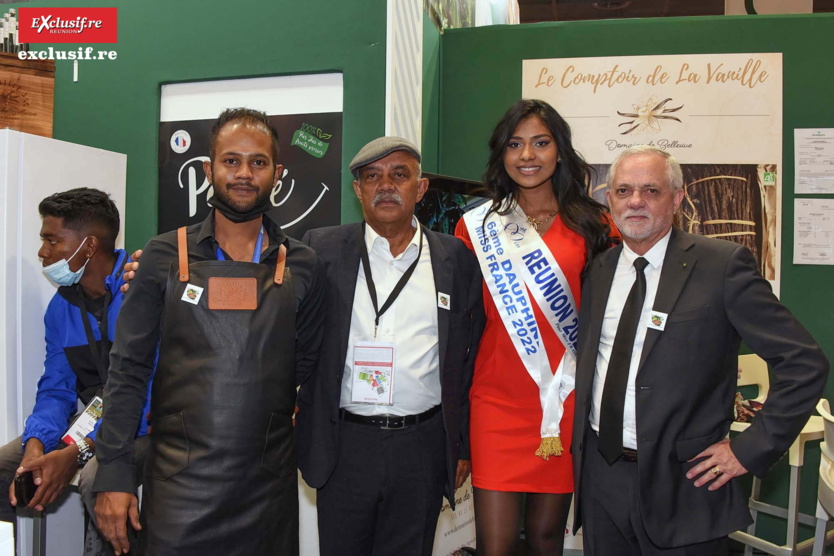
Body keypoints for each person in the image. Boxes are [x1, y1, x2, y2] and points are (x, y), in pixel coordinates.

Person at [572, 145, 830, 555]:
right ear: (609, 199)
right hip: (601, 480)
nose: (635, 201)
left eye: (651, 190)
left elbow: (805, 363)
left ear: (676, 199)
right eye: (623, 190)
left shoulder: (722, 266)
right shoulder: (597, 270)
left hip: (686, 485)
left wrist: (748, 450)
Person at [92, 108, 325, 556]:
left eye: (258, 162)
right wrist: (114, 473)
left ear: (277, 173)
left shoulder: (303, 265)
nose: (244, 174)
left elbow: (306, 366)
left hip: (267, 491)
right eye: (231, 161)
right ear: (207, 170)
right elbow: (128, 370)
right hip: (178, 490)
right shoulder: (162, 256)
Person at [297, 136, 485, 556]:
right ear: (357, 189)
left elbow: (470, 358)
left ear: (421, 188)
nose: (386, 186)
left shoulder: (455, 258)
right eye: (372, 177)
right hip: (343, 444)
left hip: (422, 446)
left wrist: (462, 445)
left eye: (399, 175)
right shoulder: (320, 249)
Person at [454, 99, 618, 556]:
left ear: (560, 151)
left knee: (547, 539)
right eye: (515, 144)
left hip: (564, 400)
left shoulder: (595, 225)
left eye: (540, 143)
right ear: (501, 154)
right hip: (495, 400)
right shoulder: (476, 227)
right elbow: (464, 323)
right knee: (496, 544)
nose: (527, 155)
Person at [0, 188, 151, 556]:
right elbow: (56, 389)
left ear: (89, 246)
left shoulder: (143, 290)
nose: (43, 252)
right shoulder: (61, 307)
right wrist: (36, 443)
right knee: (8, 466)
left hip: (151, 426)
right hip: (96, 420)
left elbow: (150, 397)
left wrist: (78, 452)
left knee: (97, 478)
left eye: (52, 240)